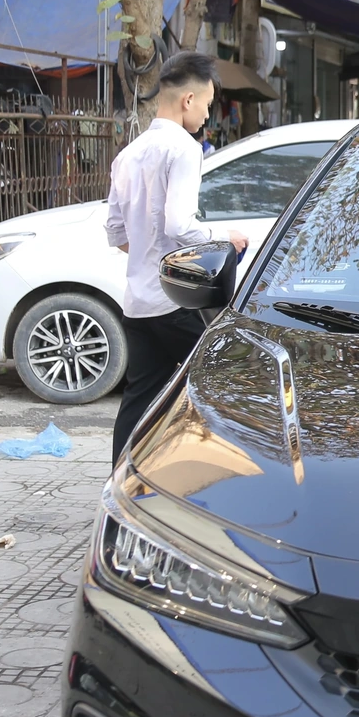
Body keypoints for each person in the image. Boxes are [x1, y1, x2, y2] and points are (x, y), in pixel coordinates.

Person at [105, 52, 247, 461]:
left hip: (138, 301)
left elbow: (118, 234)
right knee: (218, 387)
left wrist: (151, 255)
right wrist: (226, 236)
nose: (206, 115)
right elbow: (179, 226)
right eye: (206, 104)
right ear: (188, 99)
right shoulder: (184, 148)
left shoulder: (128, 154)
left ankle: (122, 479)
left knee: (139, 399)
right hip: (177, 301)